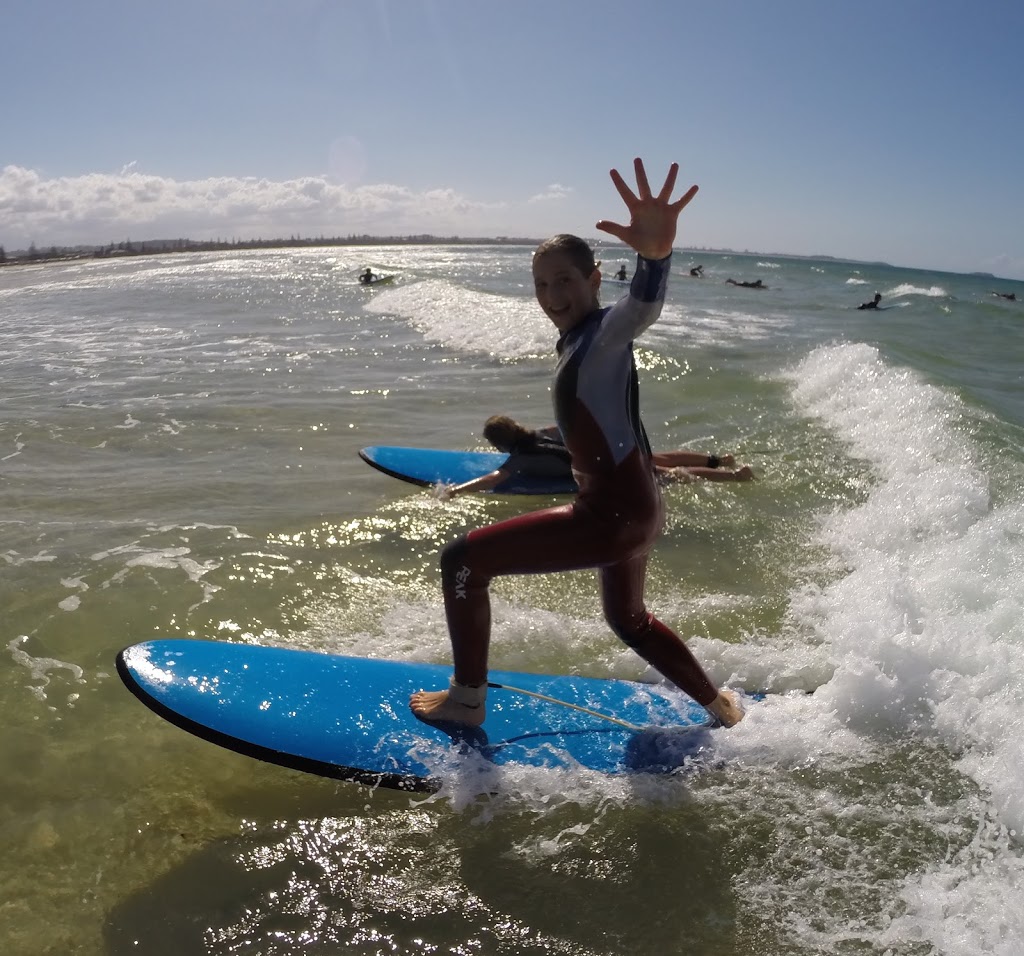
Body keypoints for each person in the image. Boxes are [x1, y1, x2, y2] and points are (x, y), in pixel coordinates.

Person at [410, 158, 744, 729]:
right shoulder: (576, 342)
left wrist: (656, 257)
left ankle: (467, 700)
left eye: (565, 279)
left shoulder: (605, 333)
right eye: (542, 284)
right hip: (637, 506)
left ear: (593, 279)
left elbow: (642, 305)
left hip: (612, 512)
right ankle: (720, 708)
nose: (552, 294)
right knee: (630, 621)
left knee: (462, 559)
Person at [438, 416, 753, 498]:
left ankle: (736, 477)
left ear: (500, 444)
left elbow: (495, 478)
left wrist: (456, 490)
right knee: (656, 457)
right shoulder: (541, 433)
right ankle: (719, 460)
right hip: (606, 450)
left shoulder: (518, 460)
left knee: (669, 476)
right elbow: (572, 424)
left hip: (605, 473)